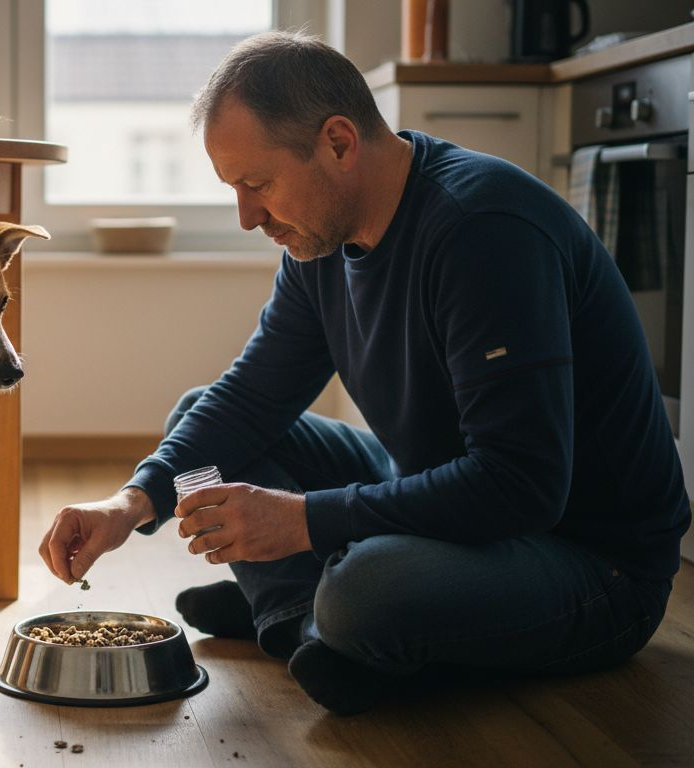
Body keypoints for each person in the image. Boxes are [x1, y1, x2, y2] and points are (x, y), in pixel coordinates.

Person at [38, 30, 690, 716]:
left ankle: (331, 605)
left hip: (590, 563)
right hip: (443, 495)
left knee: (367, 591)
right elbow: (250, 397)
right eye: (235, 190)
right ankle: (302, 616)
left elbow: (522, 486)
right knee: (199, 426)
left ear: (340, 143)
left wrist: (302, 524)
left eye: (258, 184)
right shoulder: (317, 244)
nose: (248, 216)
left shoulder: (481, 230)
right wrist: (131, 503)